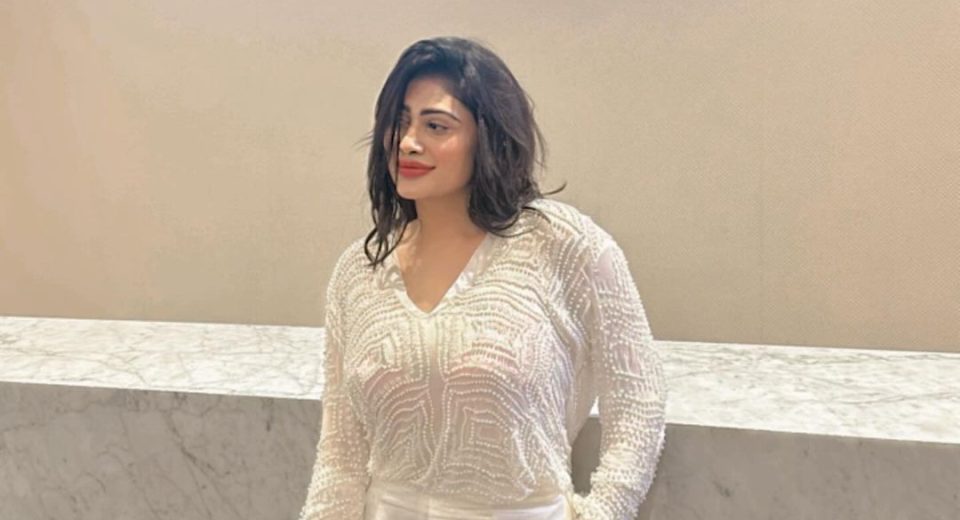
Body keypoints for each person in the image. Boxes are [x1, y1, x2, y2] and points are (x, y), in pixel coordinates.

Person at [298, 36, 667, 520]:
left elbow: (639, 400)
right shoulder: (359, 271)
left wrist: (604, 512)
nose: (407, 142)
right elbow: (340, 452)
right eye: (399, 121)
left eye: (436, 125)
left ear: (488, 137)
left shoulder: (564, 245)